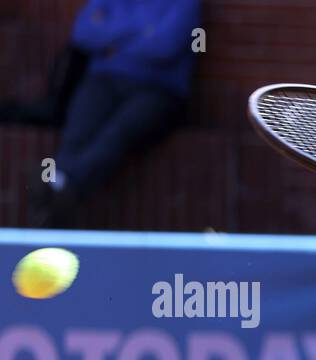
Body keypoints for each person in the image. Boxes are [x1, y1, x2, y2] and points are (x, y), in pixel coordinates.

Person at [30, 0, 201, 227]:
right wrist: (140, 32)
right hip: (103, 81)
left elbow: (163, 46)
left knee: (116, 134)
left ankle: (63, 184)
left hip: (158, 90)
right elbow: (82, 33)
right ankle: (58, 186)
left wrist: (113, 40)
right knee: (77, 132)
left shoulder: (184, 3)